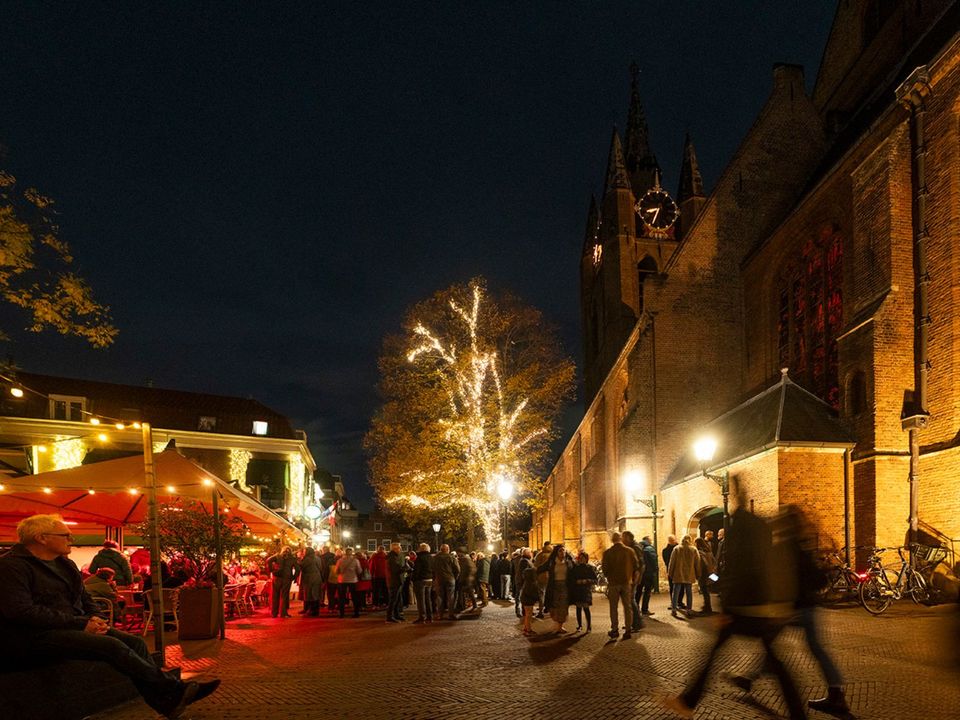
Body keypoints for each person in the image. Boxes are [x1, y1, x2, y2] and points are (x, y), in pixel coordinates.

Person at [0, 514, 219, 719]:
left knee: (135, 642)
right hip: (33, 636)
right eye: (65, 535)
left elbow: (85, 598)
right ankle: (174, 689)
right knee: (112, 646)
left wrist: (96, 618)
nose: (71, 538)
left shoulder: (64, 564)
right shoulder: (12, 567)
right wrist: (81, 622)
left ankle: (167, 703)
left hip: (71, 627)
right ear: (41, 538)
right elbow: (20, 611)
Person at [664, 481, 806, 720]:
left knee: (714, 653)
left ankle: (689, 700)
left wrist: (726, 605)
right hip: (763, 606)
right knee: (775, 662)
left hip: (744, 608)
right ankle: (798, 713)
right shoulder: (762, 529)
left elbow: (736, 569)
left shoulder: (741, 531)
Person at [601, 532, 639, 639]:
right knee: (627, 607)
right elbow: (636, 566)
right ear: (621, 539)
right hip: (626, 582)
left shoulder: (608, 553)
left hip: (613, 583)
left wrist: (609, 576)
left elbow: (605, 569)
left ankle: (615, 629)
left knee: (613, 607)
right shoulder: (630, 551)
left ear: (612, 540)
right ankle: (628, 630)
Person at [537, 544, 574, 633]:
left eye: (564, 550)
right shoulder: (551, 562)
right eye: (560, 551)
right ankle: (557, 623)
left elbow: (575, 570)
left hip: (565, 586)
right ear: (556, 552)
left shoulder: (569, 562)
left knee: (563, 606)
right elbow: (540, 568)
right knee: (554, 605)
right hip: (554, 586)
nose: (562, 552)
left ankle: (560, 626)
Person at [667, 535, 700, 619]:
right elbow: (697, 563)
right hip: (689, 573)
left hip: (678, 573)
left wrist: (670, 573)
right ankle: (689, 609)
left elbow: (672, 562)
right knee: (689, 592)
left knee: (676, 591)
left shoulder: (677, 549)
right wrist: (698, 573)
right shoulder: (693, 549)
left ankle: (674, 609)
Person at [622, 531, 646, 632]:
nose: (622, 540)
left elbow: (640, 564)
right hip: (631, 577)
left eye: (623, 538)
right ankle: (631, 622)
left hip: (633, 578)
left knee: (631, 600)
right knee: (630, 600)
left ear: (628, 538)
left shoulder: (635, 548)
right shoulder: (632, 547)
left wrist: (636, 578)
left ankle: (637, 623)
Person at [266, 546, 299, 618]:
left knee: (275, 596)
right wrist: (293, 577)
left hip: (277, 577)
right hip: (287, 578)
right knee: (284, 596)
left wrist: (271, 570)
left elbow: (268, 560)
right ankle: (283, 613)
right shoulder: (292, 558)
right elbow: (297, 569)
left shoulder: (277, 556)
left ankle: (274, 613)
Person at [569, 550, 597, 632]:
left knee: (586, 608)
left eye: (583, 558)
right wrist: (576, 582)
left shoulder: (590, 568)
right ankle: (579, 625)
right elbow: (571, 579)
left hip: (585, 591)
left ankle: (589, 626)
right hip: (578, 591)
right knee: (578, 609)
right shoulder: (575, 568)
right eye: (580, 558)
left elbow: (595, 580)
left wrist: (586, 581)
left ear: (586, 559)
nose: (581, 559)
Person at [433, 544, 459, 620]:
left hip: (439, 579)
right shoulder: (451, 557)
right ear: (448, 549)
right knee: (450, 597)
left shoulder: (436, 558)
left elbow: (432, 568)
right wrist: (455, 577)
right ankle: (451, 614)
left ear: (441, 550)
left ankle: (440, 615)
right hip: (450, 579)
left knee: (439, 597)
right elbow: (457, 569)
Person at [335, 547, 362, 618]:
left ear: (345, 552)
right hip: (353, 580)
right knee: (354, 597)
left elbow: (336, 571)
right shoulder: (356, 560)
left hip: (342, 580)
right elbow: (359, 571)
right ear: (352, 553)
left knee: (341, 597)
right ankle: (356, 613)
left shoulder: (340, 560)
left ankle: (342, 614)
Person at [411, 543, 434, 623]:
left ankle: (422, 617)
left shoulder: (419, 558)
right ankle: (430, 617)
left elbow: (417, 570)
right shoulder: (431, 558)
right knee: (428, 599)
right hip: (429, 579)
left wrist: (413, 578)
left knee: (421, 600)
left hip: (421, 580)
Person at [298, 547, 323, 617]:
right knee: (315, 594)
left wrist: (298, 560)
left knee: (310, 594)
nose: (304, 552)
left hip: (309, 578)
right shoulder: (317, 558)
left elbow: (301, 566)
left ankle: (312, 611)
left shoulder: (307, 559)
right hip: (317, 577)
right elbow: (320, 568)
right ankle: (315, 611)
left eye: (305, 551)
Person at [518, 549, 538, 636]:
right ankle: (528, 630)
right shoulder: (524, 562)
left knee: (528, 613)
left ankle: (526, 628)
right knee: (528, 613)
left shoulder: (526, 561)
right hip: (528, 594)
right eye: (530, 552)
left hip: (526, 593)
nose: (532, 554)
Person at [694, 537, 716, 614]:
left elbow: (703, 564)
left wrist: (699, 573)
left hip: (704, 574)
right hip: (710, 573)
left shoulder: (700, 552)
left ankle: (708, 607)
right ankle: (707, 606)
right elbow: (714, 561)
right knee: (706, 590)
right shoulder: (709, 551)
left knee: (705, 590)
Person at [638, 536, 658, 616]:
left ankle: (636, 609)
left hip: (640, 573)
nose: (651, 541)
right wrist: (655, 570)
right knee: (647, 592)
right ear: (648, 541)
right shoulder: (650, 549)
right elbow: (653, 561)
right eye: (650, 540)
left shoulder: (638, 548)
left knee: (638, 592)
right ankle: (644, 609)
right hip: (648, 574)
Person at [385, 542, 406, 623]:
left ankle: (396, 614)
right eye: (399, 548)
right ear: (395, 549)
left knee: (397, 599)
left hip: (397, 580)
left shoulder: (396, 556)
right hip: (394, 580)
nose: (400, 549)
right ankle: (389, 617)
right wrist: (405, 568)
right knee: (393, 599)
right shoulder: (392, 557)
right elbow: (395, 570)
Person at [662, 535, 684, 609]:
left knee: (673, 587)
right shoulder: (679, 549)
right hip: (678, 570)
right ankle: (678, 602)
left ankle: (674, 602)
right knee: (680, 586)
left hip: (671, 570)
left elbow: (666, 562)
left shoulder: (665, 550)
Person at [533, 542, 552, 618]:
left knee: (541, 594)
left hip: (541, 576)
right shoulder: (553, 555)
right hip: (551, 577)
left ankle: (541, 612)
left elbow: (535, 566)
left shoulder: (540, 554)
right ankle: (550, 610)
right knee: (550, 594)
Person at [457, 548, 477, 612]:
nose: (458, 554)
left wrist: (469, 577)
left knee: (469, 593)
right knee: (463, 593)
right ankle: (462, 606)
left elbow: (472, 569)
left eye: (458, 553)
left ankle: (473, 605)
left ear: (461, 553)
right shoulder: (462, 559)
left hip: (467, 579)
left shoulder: (466, 559)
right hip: (463, 578)